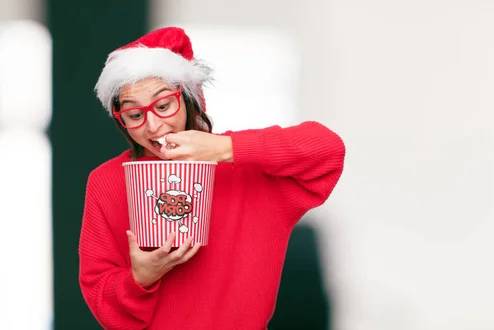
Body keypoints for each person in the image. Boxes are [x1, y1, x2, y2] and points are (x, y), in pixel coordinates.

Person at [78, 26, 345, 330]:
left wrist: (226, 148)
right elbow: (99, 293)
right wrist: (140, 277)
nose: (152, 126)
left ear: (191, 100)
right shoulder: (107, 181)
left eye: (163, 105)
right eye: (135, 115)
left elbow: (328, 149)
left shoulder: (250, 170)